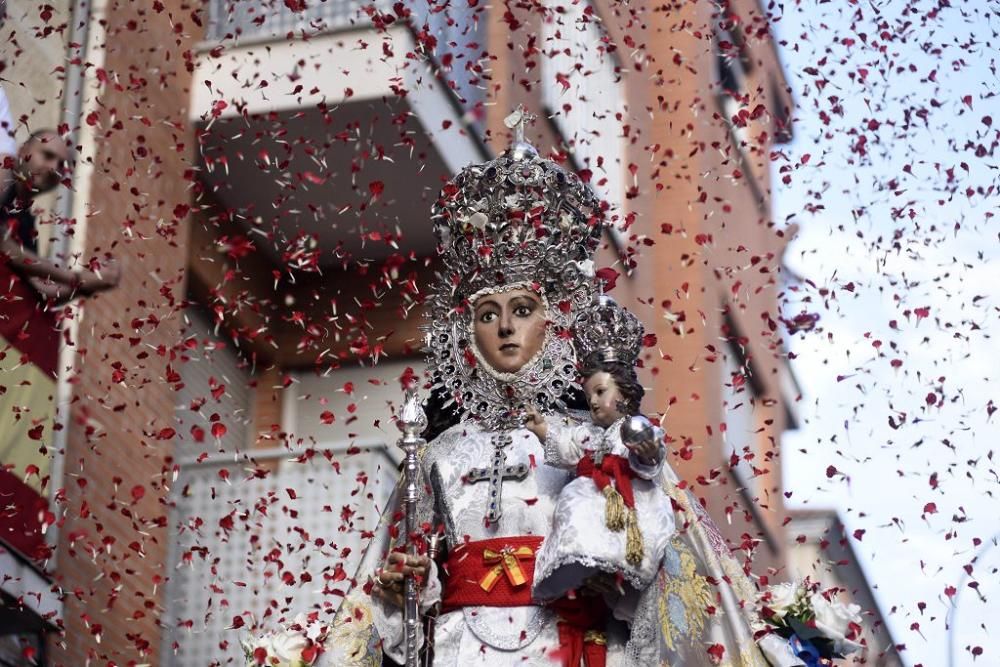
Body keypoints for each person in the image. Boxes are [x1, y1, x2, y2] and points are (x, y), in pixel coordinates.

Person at [315, 111, 792, 666]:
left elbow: (661, 551)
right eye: (487, 314)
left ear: (553, 322)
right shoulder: (437, 452)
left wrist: (613, 574)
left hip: (563, 645)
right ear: (466, 331)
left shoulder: (593, 439)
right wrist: (407, 582)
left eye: (522, 309)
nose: (506, 328)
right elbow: (397, 597)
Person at [527, 297, 676, 619]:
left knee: (638, 532)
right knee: (573, 509)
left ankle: (618, 575)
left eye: (600, 392)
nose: (592, 401)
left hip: (628, 498)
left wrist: (647, 453)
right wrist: (543, 432)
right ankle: (586, 572)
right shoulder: (587, 434)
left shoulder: (637, 427)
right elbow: (568, 453)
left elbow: (650, 462)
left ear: (623, 393)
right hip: (589, 493)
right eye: (588, 395)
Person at [1, 129, 120, 305]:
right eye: (47, 155)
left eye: (61, 166)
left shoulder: (25, 221)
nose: (53, 168)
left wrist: (89, 284)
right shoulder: (3, 174)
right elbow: (3, 244)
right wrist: (75, 277)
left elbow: (37, 292)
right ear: (23, 151)